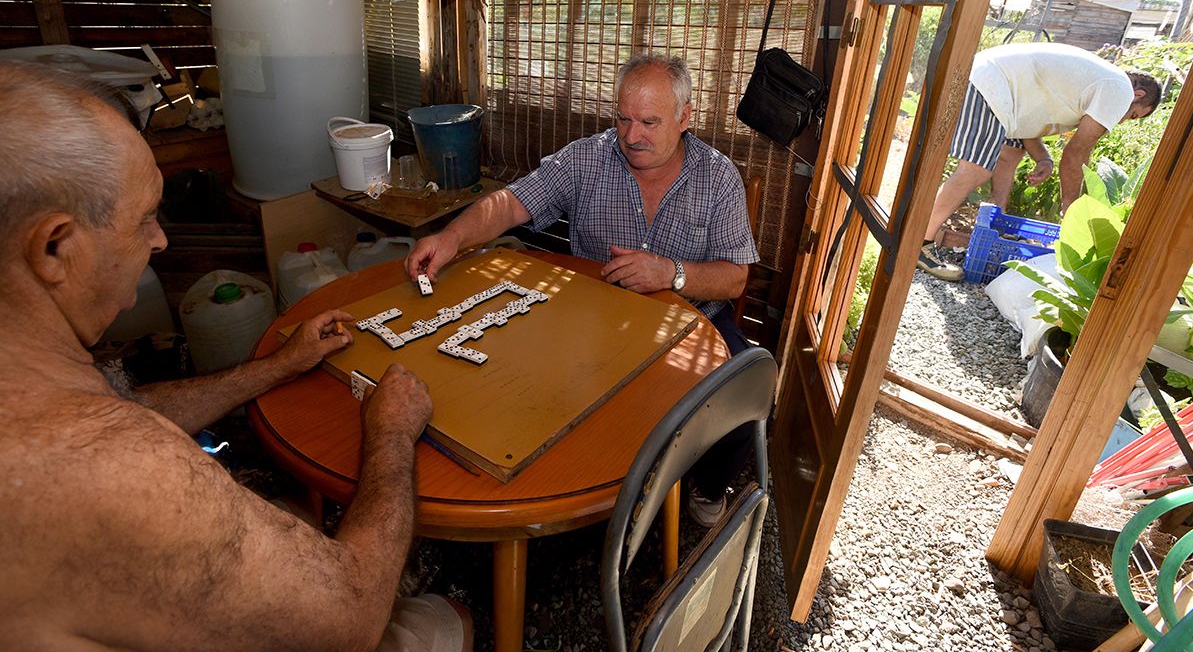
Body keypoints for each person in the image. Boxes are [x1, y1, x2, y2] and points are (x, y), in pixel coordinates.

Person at [0, 62, 471, 652]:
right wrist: (393, 433)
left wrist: (278, 365)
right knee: (444, 619)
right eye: (145, 218)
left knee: (293, 518)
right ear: (54, 245)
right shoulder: (121, 468)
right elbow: (352, 616)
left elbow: (134, 405)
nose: (160, 240)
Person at [406, 54, 759, 525]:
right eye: (622, 118)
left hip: (694, 322)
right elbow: (510, 204)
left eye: (649, 122)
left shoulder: (718, 177)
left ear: (685, 117)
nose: (632, 136)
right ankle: (565, 496)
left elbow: (735, 277)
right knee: (523, 386)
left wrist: (671, 273)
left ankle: (705, 484)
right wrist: (450, 238)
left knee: (747, 392)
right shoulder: (586, 158)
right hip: (593, 319)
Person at [919, 43, 1161, 281]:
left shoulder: (1100, 79)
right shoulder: (1120, 90)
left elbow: (1028, 123)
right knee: (975, 171)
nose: (1120, 122)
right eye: (1132, 116)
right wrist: (1071, 212)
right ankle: (920, 244)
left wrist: (1043, 158)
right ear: (1137, 95)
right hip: (990, 83)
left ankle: (996, 229)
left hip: (998, 85)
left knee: (1010, 155)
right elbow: (1075, 156)